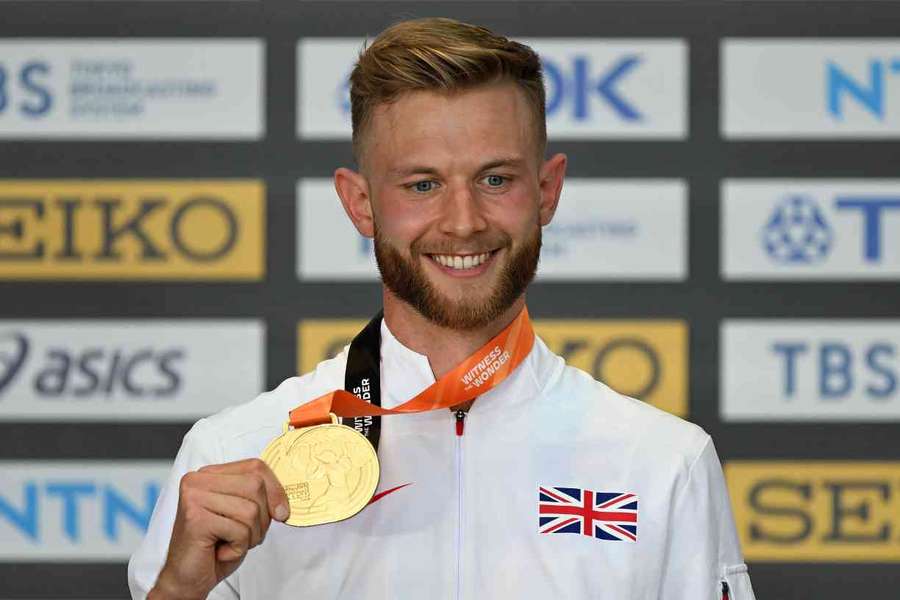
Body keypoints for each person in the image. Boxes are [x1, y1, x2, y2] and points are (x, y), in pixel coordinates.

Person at [128, 17, 756, 600]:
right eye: (422, 184)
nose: (463, 222)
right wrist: (179, 591)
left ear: (547, 190)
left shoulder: (664, 463)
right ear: (361, 203)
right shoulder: (233, 454)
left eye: (496, 179)